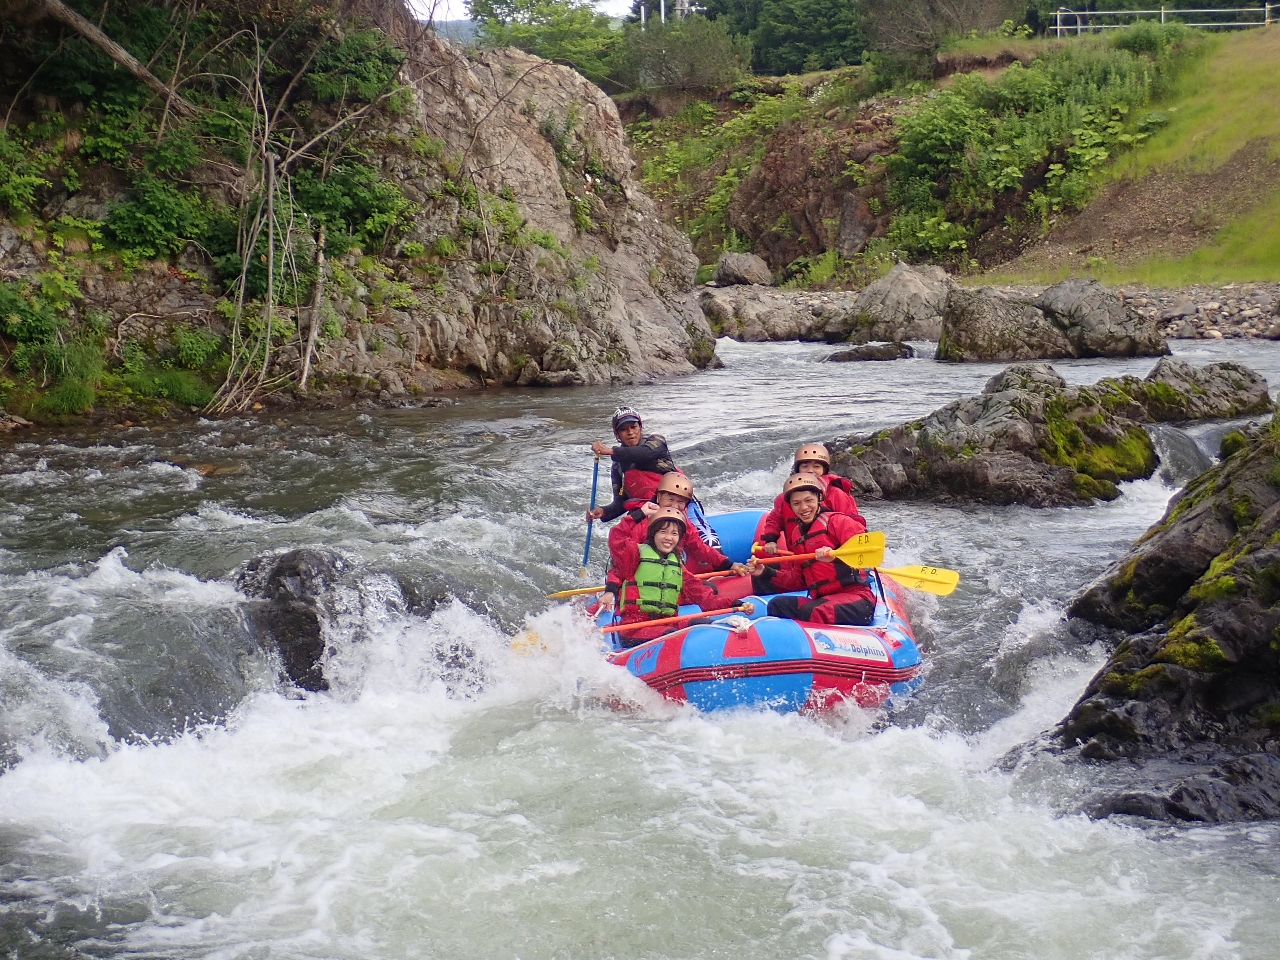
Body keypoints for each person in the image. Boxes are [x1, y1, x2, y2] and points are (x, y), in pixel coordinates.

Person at [600, 507, 751, 647]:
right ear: (653, 534)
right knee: (671, 635)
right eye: (663, 532)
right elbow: (616, 537)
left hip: (667, 624)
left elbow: (707, 599)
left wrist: (737, 604)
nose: (668, 538)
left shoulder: (678, 567)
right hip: (635, 629)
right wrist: (639, 513)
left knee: (704, 623)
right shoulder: (634, 555)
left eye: (674, 534)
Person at [747, 473, 876, 626]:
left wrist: (835, 558)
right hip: (823, 600)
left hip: (857, 599)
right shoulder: (797, 534)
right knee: (777, 604)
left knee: (813, 611)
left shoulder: (838, 522)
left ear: (819, 498)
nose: (803, 508)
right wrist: (764, 572)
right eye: (796, 503)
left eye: (809, 500)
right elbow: (798, 580)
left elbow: (867, 553)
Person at [609, 472, 748, 577]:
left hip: (667, 575)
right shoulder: (643, 522)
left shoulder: (683, 523)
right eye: (670, 499)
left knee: (710, 589)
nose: (675, 506)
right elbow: (621, 555)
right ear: (658, 497)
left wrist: (729, 564)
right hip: (639, 579)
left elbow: (699, 548)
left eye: (680, 502)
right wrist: (612, 588)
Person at [757, 443, 863, 555]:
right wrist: (771, 540)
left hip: (830, 555)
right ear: (798, 469)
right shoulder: (786, 497)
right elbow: (774, 519)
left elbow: (853, 525)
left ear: (824, 469)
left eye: (816, 467)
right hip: (797, 554)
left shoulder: (836, 494)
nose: (810, 470)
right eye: (805, 466)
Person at [586, 406, 677, 524]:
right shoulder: (618, 466)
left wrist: (611, 451)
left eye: (633, 427)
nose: (630, 432)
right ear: (617, 434)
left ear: (641, 428)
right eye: (623, 429)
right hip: (645, 511)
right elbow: (622, 502)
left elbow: (645, 454)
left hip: (677, 504)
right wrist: (604, 511)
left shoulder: (657, 441)